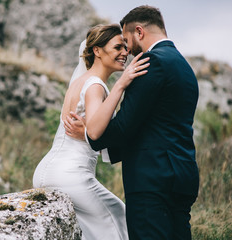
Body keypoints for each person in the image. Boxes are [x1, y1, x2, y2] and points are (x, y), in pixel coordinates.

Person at [66, 5, 199, 240]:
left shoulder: (151, 62)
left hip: (153, 179)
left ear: (139, 31)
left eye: (126, 41)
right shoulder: (183, 66)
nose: (127, 50)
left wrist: (88, 132)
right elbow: (152, 123)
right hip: (183, 173)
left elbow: (125, 125)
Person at [33, 24, 149, 240]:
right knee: (117, 220)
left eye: (125, 47)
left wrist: (86, 129)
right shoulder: (95, 85)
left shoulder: (78, 81)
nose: (125, 53)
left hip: (44, 172)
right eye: (117, 47)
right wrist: (121, 84)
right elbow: (95, 131)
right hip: (71, 176)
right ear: (97, 50)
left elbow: (90, 129)